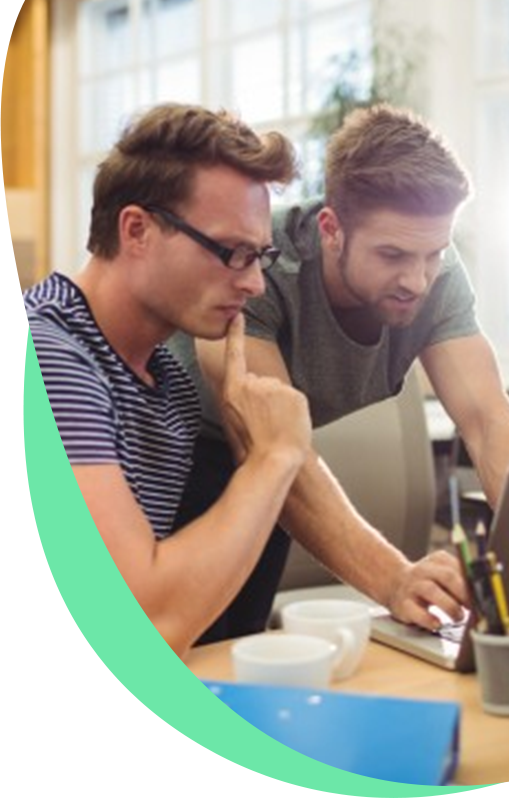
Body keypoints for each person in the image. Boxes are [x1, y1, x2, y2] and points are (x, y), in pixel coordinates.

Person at [170, 103, 509, 640]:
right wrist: (395, 579)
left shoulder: (434, 271)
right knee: (177, 668)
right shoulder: (257, 264)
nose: (417, 279)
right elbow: (267, 445)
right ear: (331, 229)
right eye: (392, 254)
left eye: (433, 253)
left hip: (274, 472)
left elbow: (487, 419)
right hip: (181, 462)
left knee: (240, 667)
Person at [3, 103, 313, 687]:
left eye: (260, 256)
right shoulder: (36, 354)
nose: (251, 283)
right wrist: (274, 458)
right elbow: (139, 625)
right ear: (137, 230)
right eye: (231, 252)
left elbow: (174, 612)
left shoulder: (167, 388)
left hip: (105, 713)